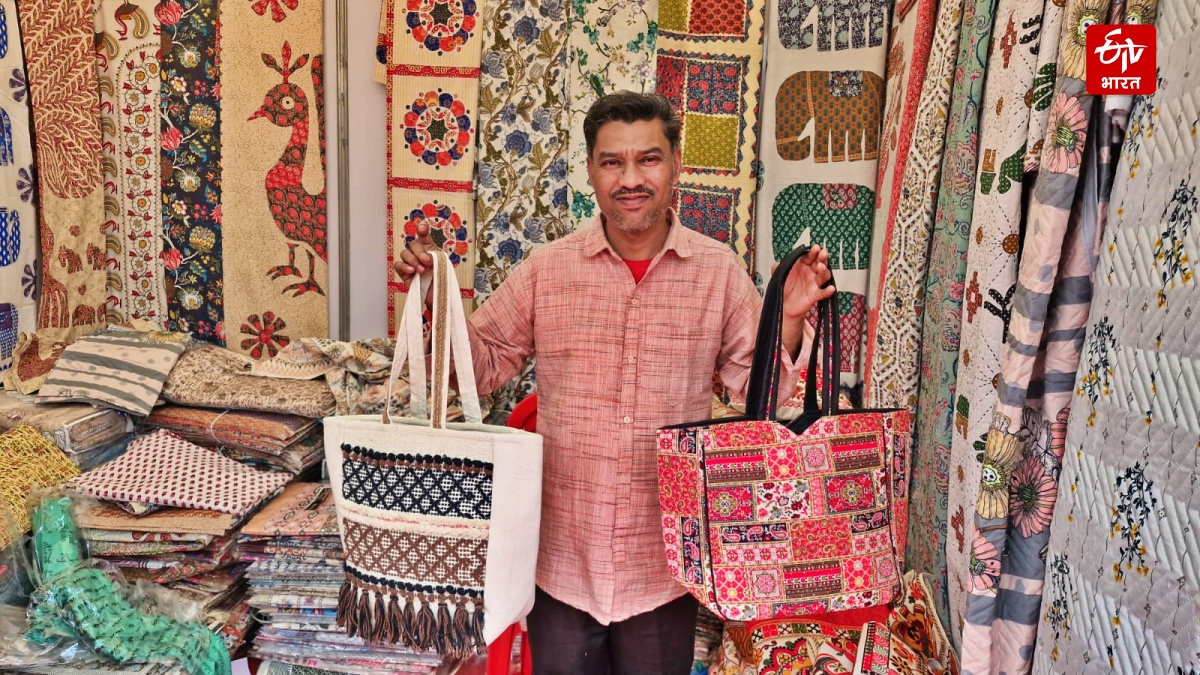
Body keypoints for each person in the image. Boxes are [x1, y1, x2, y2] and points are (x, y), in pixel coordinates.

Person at [395, 91, 834, 674]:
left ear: (676, 164)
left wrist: (793, 318)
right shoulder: (547, 270)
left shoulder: (718, 272)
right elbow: (482, 367)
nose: (631, 178)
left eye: (647, 159)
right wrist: (437, 294)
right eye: (612, 162)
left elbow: (759, 391)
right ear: (591, 172)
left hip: (660, 566)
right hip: (561, 562)